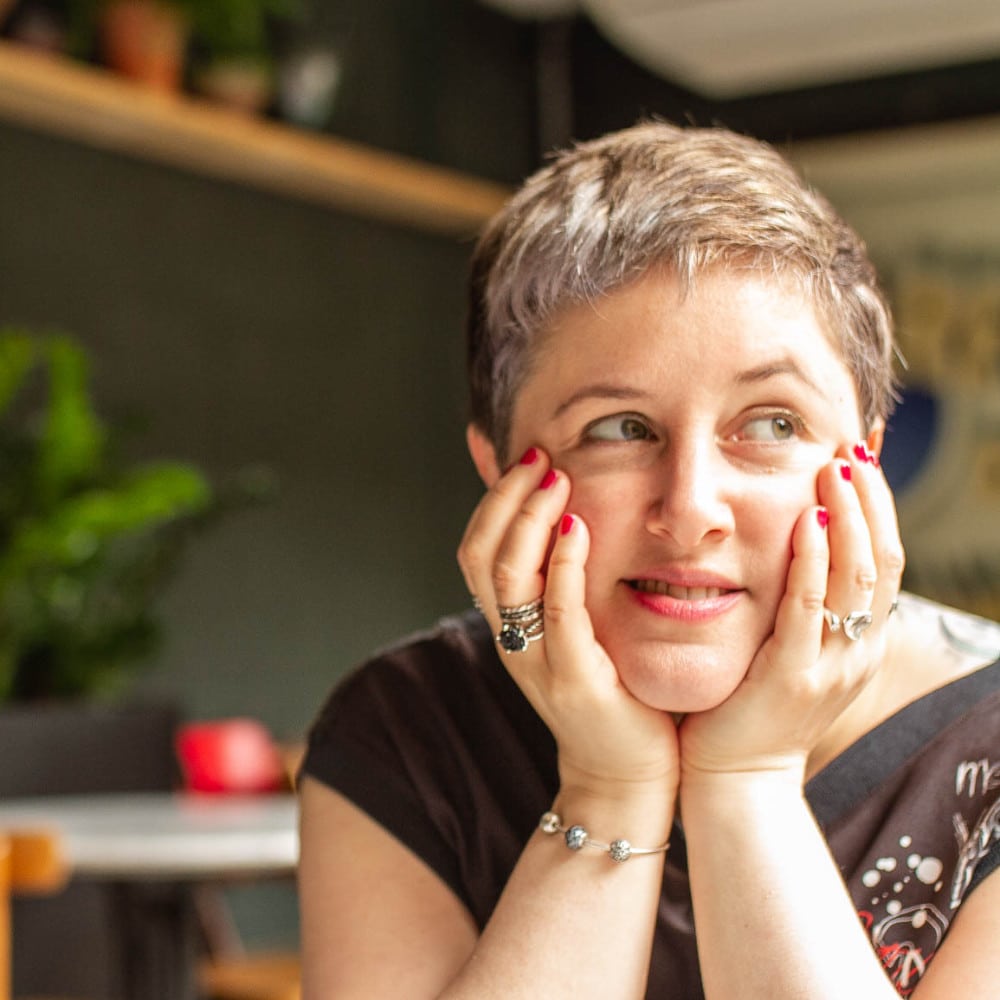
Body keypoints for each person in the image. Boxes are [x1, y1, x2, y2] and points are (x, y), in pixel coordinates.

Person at [297, 121, 1000, 998]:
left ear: (865, 459)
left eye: (773, 424)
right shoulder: (404, 731)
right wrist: (606, 789)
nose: (691, 510)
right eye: (620, 430)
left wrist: (745, 783)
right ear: (499, 470)